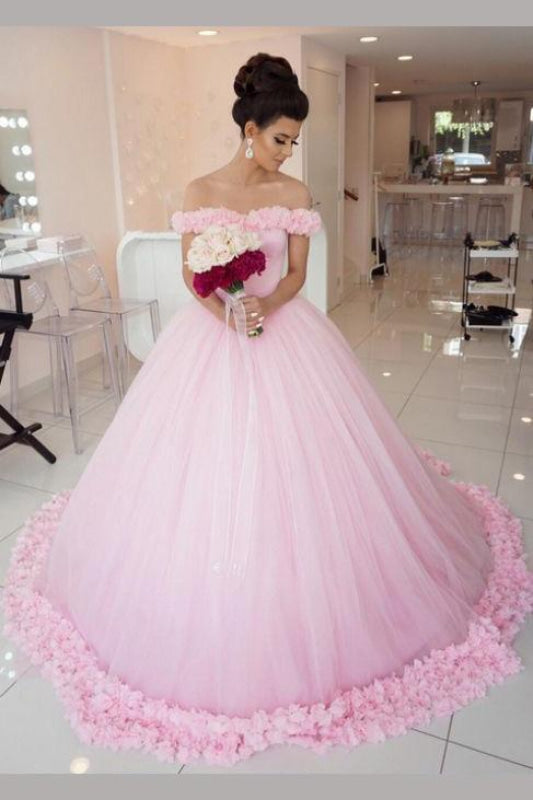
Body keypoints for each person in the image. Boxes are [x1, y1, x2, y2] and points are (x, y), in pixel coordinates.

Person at [2, 53, 532, 769]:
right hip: (211, 339)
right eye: (280, 138)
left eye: (294, 140)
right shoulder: (200, 190)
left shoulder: (294, 192)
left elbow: (298, 274)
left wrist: (262, 306)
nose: (288, 151)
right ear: (249, 129)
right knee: (200, 471)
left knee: (309, 467)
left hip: (283, 333)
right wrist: (226, 311)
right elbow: (194, 275)